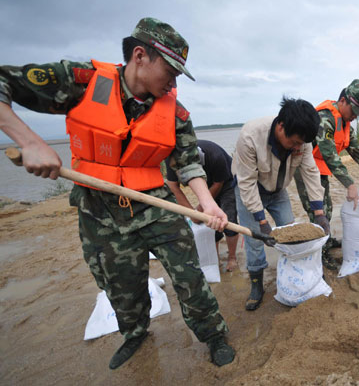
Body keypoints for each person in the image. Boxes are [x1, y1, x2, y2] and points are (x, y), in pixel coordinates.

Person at [0, 18, 235, 369]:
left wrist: (208, 203)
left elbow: (187, 163)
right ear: (140, 56)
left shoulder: (174, 111)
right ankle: (135, 332)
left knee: (189, 275)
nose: (173, 81)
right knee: (121, 288)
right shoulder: (81, 81)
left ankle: (214, 335)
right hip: (99, 211)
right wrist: (29, 142)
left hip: (155, 206)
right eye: (170, 70)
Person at [231, 97, 330, 311]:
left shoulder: (302, 139)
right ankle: (257, 284)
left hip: (278, 189)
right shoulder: (250, 136)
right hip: (250, 188)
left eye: (300, 144)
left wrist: (319, 212)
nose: (297, 147)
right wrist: (262, 221)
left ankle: (298, 276)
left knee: (291, 229)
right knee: (256, 238)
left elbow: (311, 173)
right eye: (294, 142)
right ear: (281, 126)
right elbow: (246, 183)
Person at [293, 79, 359, 270]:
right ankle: (320, 254)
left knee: (327, 208)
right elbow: (329, 154)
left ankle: (326, 240)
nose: (355, 117)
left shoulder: (345, 120)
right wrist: (350, 184)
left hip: (320, 168)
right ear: (343, 101)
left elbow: (354, 147)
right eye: (354, 112)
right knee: (317, 212)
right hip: (305, 168)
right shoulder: (325, 118)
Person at [165, 140, 239, 272]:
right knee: (209, 223)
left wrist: (201, 207)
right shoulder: (172, 160)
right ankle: (214, 258)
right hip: (205, 184)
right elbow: (173, 187)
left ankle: (232, 257)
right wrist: (192, 213)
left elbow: (218, 184)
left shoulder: (215, 156)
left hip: (225, 182)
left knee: (229, 219)